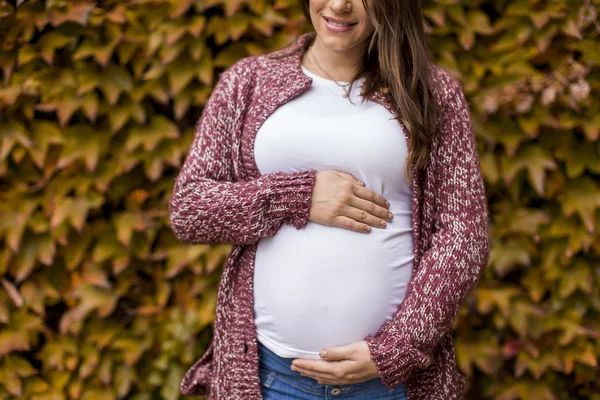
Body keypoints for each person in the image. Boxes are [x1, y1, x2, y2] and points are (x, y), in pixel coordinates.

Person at [169, 0, 490, 399]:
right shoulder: (248, 81)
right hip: (269, 377)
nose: (339, 4)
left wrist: (396, 349)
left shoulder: (431, 92)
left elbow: (462, 235)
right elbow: (190, 208)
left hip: (391, 383)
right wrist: (298, 195)